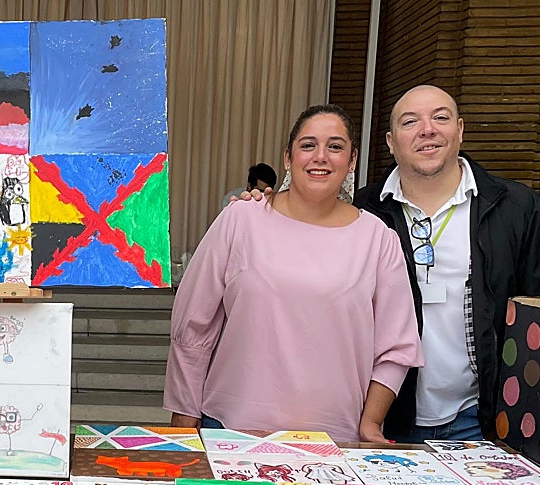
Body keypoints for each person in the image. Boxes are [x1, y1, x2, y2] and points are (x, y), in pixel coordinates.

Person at [165, 104, 423, 442]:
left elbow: (396, 347)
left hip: (334, 441)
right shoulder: (241, 220)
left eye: (335, 146)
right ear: (288, 157)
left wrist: (370, 423)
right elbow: (193, 323)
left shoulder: (378, 240)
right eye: (308, 145)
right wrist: (184, 414)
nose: (321, 156)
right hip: (229, 431)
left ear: (352, 159)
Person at [352, 85, 540, 442]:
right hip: (378, 421)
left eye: (441, 118)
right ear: (391, 142)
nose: (427, 129)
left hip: (481, 421)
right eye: (411, 122)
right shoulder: (360, 213)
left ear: (460, 129)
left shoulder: (518, 210)